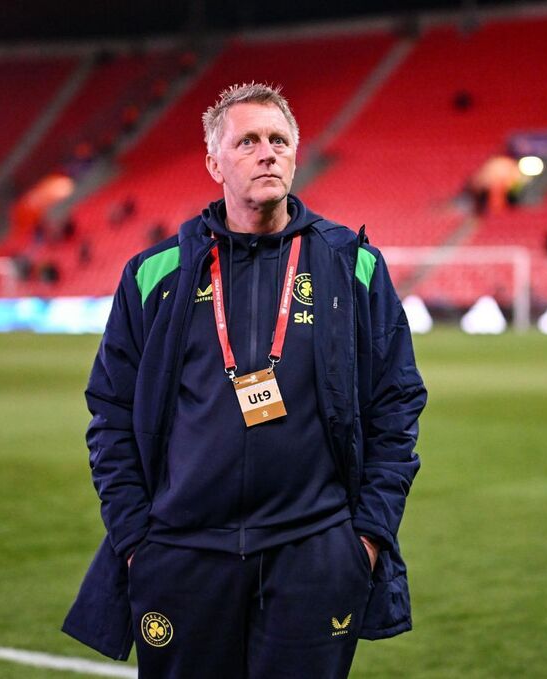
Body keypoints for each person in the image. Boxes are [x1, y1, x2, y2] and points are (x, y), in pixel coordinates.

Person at [63, 82, 427, 679]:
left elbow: (397, 402)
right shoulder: (156, 272)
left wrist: (365, 539)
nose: (267, 153)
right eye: (248, 142)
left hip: (315, 552)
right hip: (181, 554)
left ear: (296, 155)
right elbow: (110, 410)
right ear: (215, 164)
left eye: (279, 140)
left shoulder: (352, 264)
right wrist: (134, 542)